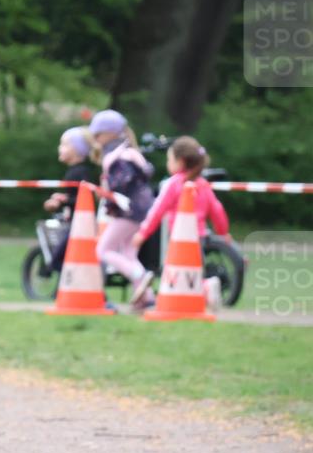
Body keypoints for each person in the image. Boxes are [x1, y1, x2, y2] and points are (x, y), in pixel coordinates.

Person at [132, 136, 230, 310]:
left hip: (178, 239)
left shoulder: (173, 184)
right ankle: (204, 287)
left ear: (181, 162)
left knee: (176, 269)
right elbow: (217, 210)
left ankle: (201, 288)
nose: (168, 163)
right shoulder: (202, 184)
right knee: (191, 272)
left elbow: (157, 210)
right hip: (199, 237)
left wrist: (143, 233)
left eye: (169, 159)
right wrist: (223, 232)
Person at [89, 109, 156, 311]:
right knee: (128, 252)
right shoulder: (130, 153)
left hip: (129, 210)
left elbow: (122, 183)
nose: (95, 139)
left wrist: (107, 192)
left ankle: (139, 276)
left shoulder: (119, 157)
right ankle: (147, 298)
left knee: (103, 250)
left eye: (98, 135)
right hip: (142, 208)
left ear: (110, 134)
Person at [42, 126, 97, 272]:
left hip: (80, 226)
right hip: (75, 223)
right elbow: (75, 197)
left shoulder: (80, 172)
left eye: (65, 144)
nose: (60, 148)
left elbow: (86, 199)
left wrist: (63, 200)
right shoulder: (74, 171)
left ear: (77, 149)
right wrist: (62, 199)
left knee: (57, 260)